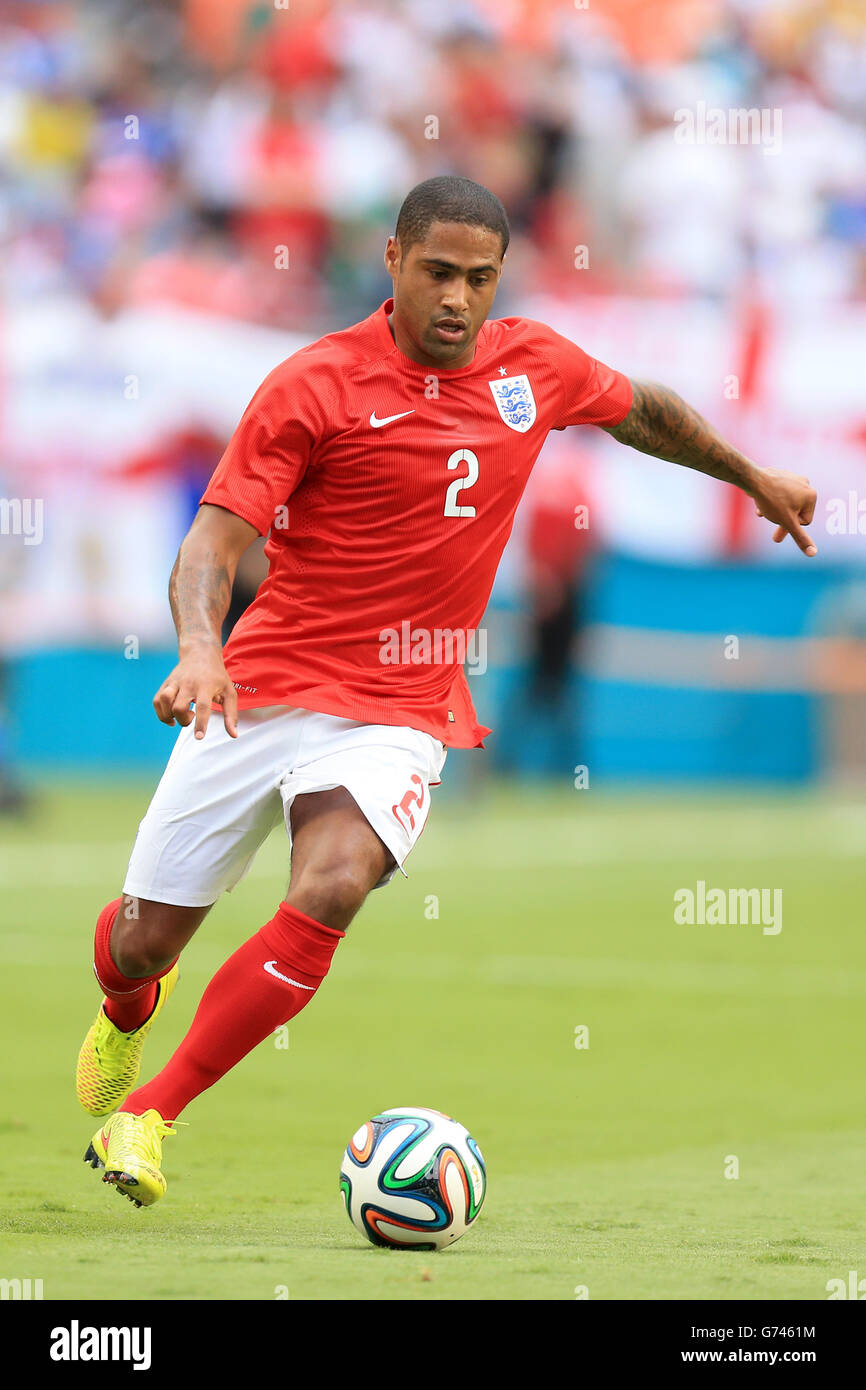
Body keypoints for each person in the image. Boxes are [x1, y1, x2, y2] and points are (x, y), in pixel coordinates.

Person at [77, 175, 818, 1207]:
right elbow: (214, 537)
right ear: (391, 261)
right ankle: (125, 1007)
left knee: (331, 883)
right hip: (263, 688)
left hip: (400, 705)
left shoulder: (533, 366)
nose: (457, 299)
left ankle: (149, 1114)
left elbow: (641, 409)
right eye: (437, 273)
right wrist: (200, 647)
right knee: (139, 940)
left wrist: (751, 477)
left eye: (479, 277)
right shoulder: (312, 383)